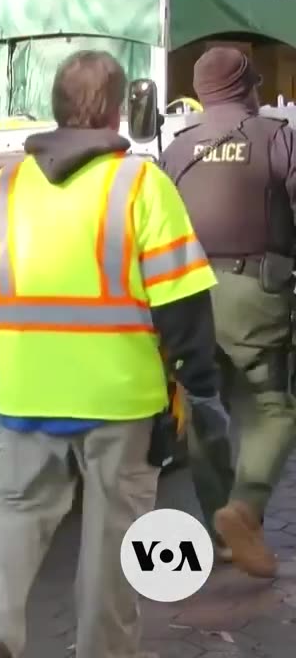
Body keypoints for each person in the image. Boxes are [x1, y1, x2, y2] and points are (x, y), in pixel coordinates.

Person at [0, 50, 226, 658]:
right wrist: (201, 390)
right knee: (113, 543)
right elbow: (182, 310)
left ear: (56, 107)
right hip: (122, 405)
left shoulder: (8, 186)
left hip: (25, 401)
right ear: (121, 110)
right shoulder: (140, 185)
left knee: (13, 518)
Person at [159, 45, 296, 580]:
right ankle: (245, 508)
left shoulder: (176, 150)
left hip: (188, 296)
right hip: (257, 292)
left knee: (203, 406)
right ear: (247, 88)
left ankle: (219, 533)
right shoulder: (276, 138)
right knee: (272, 407)